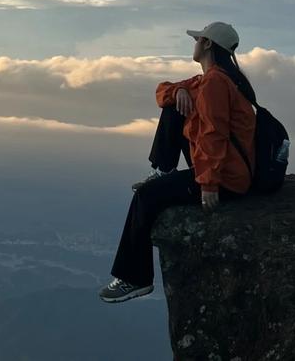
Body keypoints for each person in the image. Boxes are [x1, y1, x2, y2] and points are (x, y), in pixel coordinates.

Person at [99, 21, 257, 303]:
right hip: (224, 167)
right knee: (173, 107)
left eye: (198, 39)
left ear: (207, 44)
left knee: (146, 198)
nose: (194, 42)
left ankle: (134, 279)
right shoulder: (213, 79)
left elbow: (214, 134)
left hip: (224, 177)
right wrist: (178, 92)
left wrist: (208, 185)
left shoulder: (214, 84)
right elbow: (163, 91)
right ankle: (162, 170)